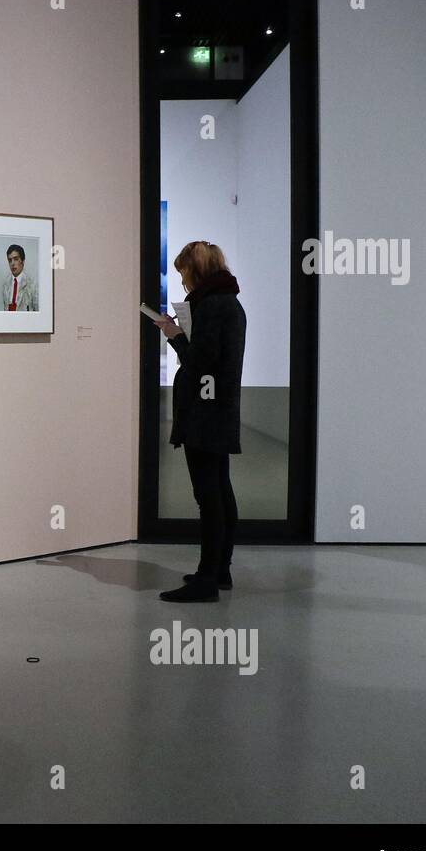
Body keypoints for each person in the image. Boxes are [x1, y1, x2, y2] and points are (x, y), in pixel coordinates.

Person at [150, 240, 245, 603]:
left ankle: (207, 578)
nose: (183, 281)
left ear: (196, 270)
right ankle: (220, 569)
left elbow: (200, 360)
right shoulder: (229, 303)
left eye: (184, 273)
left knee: (209, 496)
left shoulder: (211, 306)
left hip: (205, 414)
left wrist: (174, 337)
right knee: (220, 490)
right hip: (218, 409)